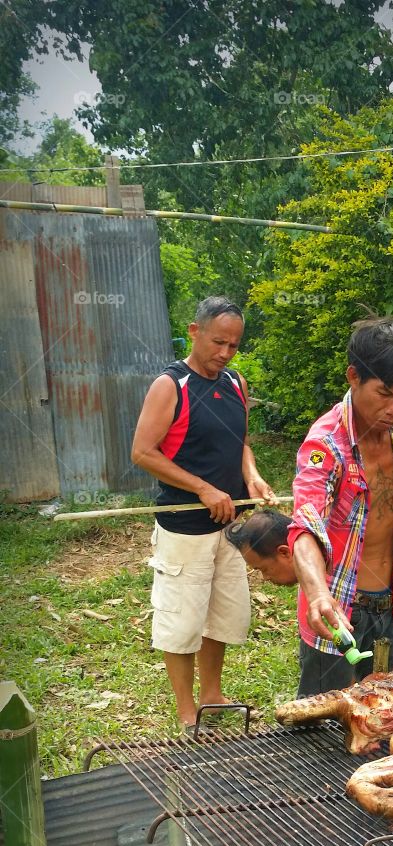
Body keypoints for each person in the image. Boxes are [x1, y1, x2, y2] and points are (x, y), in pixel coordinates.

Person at [131, 296, 275, 729]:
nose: (225, 353)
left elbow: (241, 443)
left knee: (221, 614)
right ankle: (185, 710)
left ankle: (212, 694)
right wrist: (203, 488)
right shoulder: (170, 386)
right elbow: (142, 452)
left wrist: (252, 477)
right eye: (218, 342)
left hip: (231, 525)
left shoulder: (235, 383)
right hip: (184, 526)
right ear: (194, 331)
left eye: (233, 345)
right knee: (182, 619)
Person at [288, 316, 393, 694]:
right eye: (385, 393)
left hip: (388, 604)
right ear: (353, 377)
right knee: (324, 726)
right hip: (338, 609)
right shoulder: (325, 445)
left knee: (389, 712)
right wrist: (317, 593)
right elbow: (305, 524)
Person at [226, 510, 393, 661]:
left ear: (284, 552)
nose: (264, 579)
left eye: (263, 569)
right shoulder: (313, 575)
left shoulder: (333, 558)